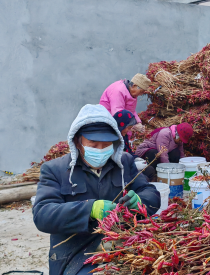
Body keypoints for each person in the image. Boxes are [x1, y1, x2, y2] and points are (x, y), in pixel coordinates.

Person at [32, 104, 161, 275]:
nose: (100, 150)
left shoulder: (124, 163)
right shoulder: (55, 169)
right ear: (78, 142)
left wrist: (140, 201)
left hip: (121, 244)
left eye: (106, 144)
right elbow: (42, 215)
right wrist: (89, 209)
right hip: (76, 253)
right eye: (93, 144)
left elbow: (151, 193)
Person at [113, 109, 157, 182]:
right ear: (121, 125)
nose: (128, 131)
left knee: (150, 170)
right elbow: (116, 161)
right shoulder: (112, 140)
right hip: (119, 171)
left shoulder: (124, 137)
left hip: (128, 165)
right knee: (143, 178)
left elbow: (129, 152)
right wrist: (133, 165)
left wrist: (136, 158)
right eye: (128, 128)